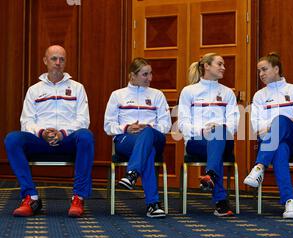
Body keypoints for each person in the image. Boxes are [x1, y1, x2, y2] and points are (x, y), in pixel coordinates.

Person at [4, 45, 94, 218]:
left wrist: (62, 133)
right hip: (40, 141)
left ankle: (78, 197)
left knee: (86, 135)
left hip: (68, 141)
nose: (58, 63)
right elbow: (26, 121)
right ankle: (31, 197)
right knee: (13, 138)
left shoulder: (77, 88)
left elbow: (83, 120)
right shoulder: (34, 90)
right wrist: (43, 133)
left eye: (62, 59)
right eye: (54, 59)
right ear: (45, 61)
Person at [243, 52, 293, 219]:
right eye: (259, 71)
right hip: (273, 143)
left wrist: (276, 125)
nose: (261, 74)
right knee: (279, 149)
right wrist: (276, 127)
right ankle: (289, 202)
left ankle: (259, 167)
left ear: (276, 69)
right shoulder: (259, 96)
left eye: (264, 69)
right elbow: (257, 126)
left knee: (280, 121)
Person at [104, 57, 171, 218]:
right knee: (149, 152)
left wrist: (148, 128)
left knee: (147, 133)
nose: (150, 78)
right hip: (126, 140)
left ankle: (132, 172)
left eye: (150, 74)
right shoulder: (117, 95)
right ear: (132, 76)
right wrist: (127, 128)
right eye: (145, 74)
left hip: (155, 137)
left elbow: (166, 125)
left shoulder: (157, 95)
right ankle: (153, 204)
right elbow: (108, 126)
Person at [177, 53, 240, 217]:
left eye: (223, 65)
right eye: (220, 64)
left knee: (218, 134)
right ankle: (219, 196)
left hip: (224, 141)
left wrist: (219, 127)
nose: (223, 68)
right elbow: (182, 122)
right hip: (196, 142)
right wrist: (201, 131)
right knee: (214, 144)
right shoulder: (188, 91)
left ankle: (211, 177)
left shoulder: (227, 93)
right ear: (207, 66)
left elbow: (233, 123)